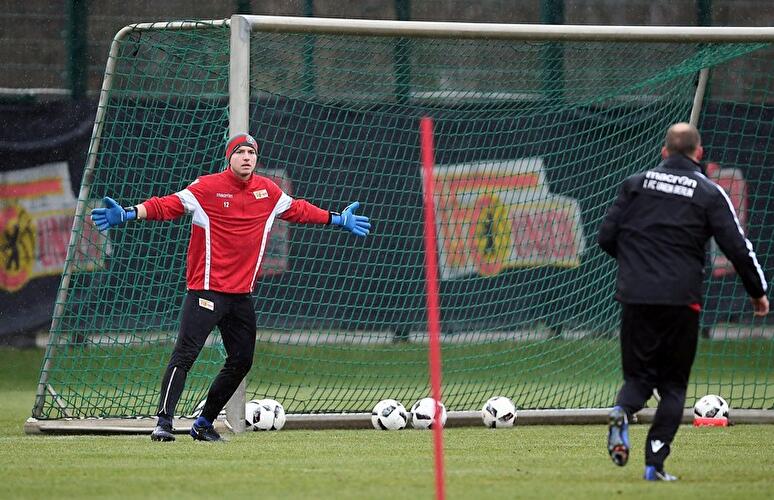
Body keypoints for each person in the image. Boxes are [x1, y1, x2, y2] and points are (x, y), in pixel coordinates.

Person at [91, 133, 371, 442]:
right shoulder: (206, 188)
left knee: (242, 360)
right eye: (240, 152)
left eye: (251, 152)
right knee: (185, 355)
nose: (247, 157)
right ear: (230, 157)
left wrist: (337, 219)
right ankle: (164, 423)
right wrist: (130, 212)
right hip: (206, 291)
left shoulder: (268, 191)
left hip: (240, 297)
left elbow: (300, 210)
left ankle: (204, 423)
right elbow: (166, 205)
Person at [597, 122, 768, 480]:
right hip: (680, 301)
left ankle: (621, 411)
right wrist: (757, 292)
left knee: (638, 379)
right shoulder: (708, 192)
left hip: (636, 296)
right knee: (673, 386)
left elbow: (606, 237)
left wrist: (637, 266)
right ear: (699, 154)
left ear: (663, 152)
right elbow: (737, 246)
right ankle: (654, 463)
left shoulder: (635, 185)